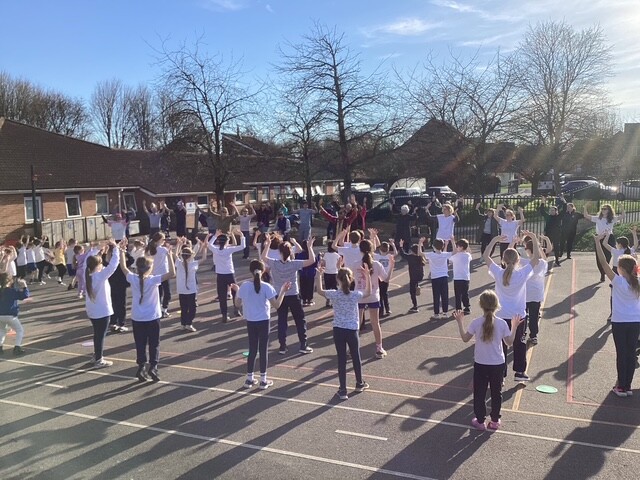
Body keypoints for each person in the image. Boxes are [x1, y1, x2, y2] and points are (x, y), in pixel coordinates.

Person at [454, 292, 523, 431]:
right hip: (497, 364)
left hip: (481, 363)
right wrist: (514, 326)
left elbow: (465, 338)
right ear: (497, 305)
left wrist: (460, 322)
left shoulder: (476, 322)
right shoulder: (502, 323)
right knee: (496, 393)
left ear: (481, 305)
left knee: (480, 393)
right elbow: (509, 342)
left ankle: (480, 421)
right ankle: (495, 420)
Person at [483, 232, 540, 382]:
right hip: (518, 316)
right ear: (518, 260)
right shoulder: (522, 273)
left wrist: (494, 240)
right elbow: (536, 258)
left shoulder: (498, 272)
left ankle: (500, 375)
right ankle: (519, 372)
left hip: (500, 315)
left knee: (500, 346)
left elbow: (486, 256)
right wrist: (533, 238)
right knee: (519, 344)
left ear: (503, 260)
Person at [232, 260, 291, 390]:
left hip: (250, 321)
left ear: (250, 271)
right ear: (263, 271)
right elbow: (277, 305)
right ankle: (263, 380)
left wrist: (236, 291)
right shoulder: (266, 287)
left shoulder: (244, 286)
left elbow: (237, 304)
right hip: (263, 321)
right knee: (263, 350)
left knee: (252, 349)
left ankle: (249, 379)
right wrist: (283, 291)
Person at [119, 246, 176, 382]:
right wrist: (169, 255)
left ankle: (141, 367)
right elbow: (172, 273)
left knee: (140, 343)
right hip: (152, 317)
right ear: (149, 268)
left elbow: (123, 267)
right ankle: (153, 366)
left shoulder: (133, 278)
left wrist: (121, 252)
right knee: (154, 343)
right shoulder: (153, 280)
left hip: (137, 317)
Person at [316, 265, 371, 400]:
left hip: (338, 329)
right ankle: (359, 383)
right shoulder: (355, 295)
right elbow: (368, 292)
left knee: (341, 359)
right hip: (352, 330)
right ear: (351, 280)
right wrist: (367, 276)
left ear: (337, 280)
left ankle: (342, 390)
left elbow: (319, 291)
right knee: (356, 356)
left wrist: (319, 275)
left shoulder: (334, 294)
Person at [595, 233, 640, 397]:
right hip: (635, 322)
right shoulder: (637, 281)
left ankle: (620, 387)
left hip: (620, 322)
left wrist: (597, 242)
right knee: (631, 353)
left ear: (621, 268)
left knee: (622, 354)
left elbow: (603, 262)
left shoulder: (618, 281)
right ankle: (627, 386)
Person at [261, 236, 316, 355]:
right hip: (293, 295)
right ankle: (303, 344)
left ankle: (282, 346)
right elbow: (312, 260)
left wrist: (268, 244)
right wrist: (310, 247)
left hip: (280, 295)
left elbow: (263, 257)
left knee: (282, 320)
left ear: (279, 252)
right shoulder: (294, 264)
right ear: (290, 251)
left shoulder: (274, 263)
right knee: (300, 320)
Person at [84, 241, 121, 368]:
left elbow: (88, 260)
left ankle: (96, 356)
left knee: (97, 334)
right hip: (102, 311)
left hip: (92, 311)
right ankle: (99, 359)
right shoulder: (99, 276)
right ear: (98, 265)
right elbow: (113, 265)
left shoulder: (87, 274)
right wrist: (116, 248)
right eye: (101, 263)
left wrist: (98, 249)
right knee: (100, 336)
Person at [357, 239, 394, 359]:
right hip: (373, 296)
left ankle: (352, 349)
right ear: (372, 250)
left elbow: (350, 279)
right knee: (375, 323)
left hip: (360, 296)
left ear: (360, 250)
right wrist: (391, 266)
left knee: (356, 323)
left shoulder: (355, 264)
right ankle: (379, 348)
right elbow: (385, 279)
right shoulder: (377, 264)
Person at [208, 229, 246, 323]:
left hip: (220, 275)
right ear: (226, 242)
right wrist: (241, 235)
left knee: (222, 295)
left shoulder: (216, 250)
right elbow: (242, 246)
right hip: (229, 273)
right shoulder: (229, 250)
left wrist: (215, 235)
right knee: (235, 292)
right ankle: (236, 309)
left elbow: (209, 244)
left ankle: (224, 314)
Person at [519, 235, 549, 345]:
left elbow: (511, 254)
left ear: (528, 250)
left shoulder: (524, 262)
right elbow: (545, 259)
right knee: (534, 316)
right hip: (536, 295)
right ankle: (533, 335)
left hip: (525, 295)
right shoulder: (542, 264)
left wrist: (513, 242)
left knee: (523, 315)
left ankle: (522, 334)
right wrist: (538, 246)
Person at [584, 203, 625, 282]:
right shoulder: (598, 218)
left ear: (609, 210)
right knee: (599, 256)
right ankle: (602, 273)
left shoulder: (612, 218)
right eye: (602, 209)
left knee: (608, 255)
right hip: (600, 238)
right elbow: (586, 215)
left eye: (605, 209)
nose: (603, 210)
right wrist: (585, 207)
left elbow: (622, 216)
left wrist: (622, 208)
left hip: (609, 238)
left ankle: (605, 269)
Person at [175, 237, 206, 332]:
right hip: (191, 290)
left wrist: (179, 244)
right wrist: (205, 248)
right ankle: (188, 323)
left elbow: (175, 255)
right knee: (192, 308)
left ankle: (183, 324)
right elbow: (204, 258)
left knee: (183, 308)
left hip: (181, 290)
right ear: (191, 256)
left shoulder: (179, 263)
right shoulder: (193, 264)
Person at [0, 273, 29, 355]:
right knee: (20, 330)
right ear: (9, 281)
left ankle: (0, 347)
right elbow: (24, 296)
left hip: (0, 315)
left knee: (2, 330)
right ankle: (17, 347)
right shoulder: (12, 291)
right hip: (10, 315)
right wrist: (24, 286)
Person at [146, 232, 172, 318]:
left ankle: (159, 308)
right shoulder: (163, 250)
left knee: (158, 293)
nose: (164, 241)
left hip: (155, 274)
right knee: (167, 293)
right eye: (163, 239)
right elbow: (172, 255)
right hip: (164, 274)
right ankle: (164, 309)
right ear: (159, 240)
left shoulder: (151, 250)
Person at [424, 238, 452, 319]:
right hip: (444, 277)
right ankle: (445, 313)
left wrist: (420, 243)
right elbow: (454, 252)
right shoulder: (444, 255)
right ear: (442, 246)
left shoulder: (431, 255)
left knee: (436, 296)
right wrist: (451, 242)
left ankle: (436, 314)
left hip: (435, 278)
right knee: (445, 295)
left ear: (433, 246)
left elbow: (419, 253)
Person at [399, 237, 427, 313]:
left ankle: (415, 306)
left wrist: (401, 246)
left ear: (413, 251)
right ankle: (417, 286)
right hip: (420, 276)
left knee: (412, 292)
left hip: (413, 277)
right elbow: (422, 250)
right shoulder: (420, 257)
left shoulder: (411, 257)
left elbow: (402, 254)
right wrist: (421, 243)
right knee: (416, 283)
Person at [373, 236, 397, 318]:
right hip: (386, 277)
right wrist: (393, 244)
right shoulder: (389, 256)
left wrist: (374, 238)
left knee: (380, 294)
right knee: (385, 293)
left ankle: (381, 311)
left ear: (380, 249)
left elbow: (372, 250)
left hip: (378, 277)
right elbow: (395, 253)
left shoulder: (376, 256)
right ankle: (387, 309)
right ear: (388, 249)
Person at [450, 238, 472, 314]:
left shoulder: (456, 256)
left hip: (457, 278)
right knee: (465, 293)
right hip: (466, 277)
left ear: (461, 247)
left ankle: (458, 308)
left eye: (458, 246)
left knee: (458, 294)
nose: (456, 248)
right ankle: (467, 307)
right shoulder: (468, 255)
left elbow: (450, 260)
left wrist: (452, 241)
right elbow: (469, 252)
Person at [538, 197, 563, 267]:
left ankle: (557, 261)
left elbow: (564, 210)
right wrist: (543, 202)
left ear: (556, 211)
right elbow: (542, 211)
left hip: (556, 234)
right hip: (548, 235)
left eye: (553, 210)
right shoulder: (548, 217)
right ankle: (544, 261)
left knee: (556, 248)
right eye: (551, 210)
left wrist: (563, 201)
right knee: (547, 248)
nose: (551, 211)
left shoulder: (558, 217)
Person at [320, 241, 342, 308]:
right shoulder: (337, 255)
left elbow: (323, 264)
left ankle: (328, 300)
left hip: (327, 272)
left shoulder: (326, 255)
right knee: (334, 287)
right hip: (335, 273)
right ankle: (334, 301)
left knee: (327, 287)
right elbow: (339, 265)